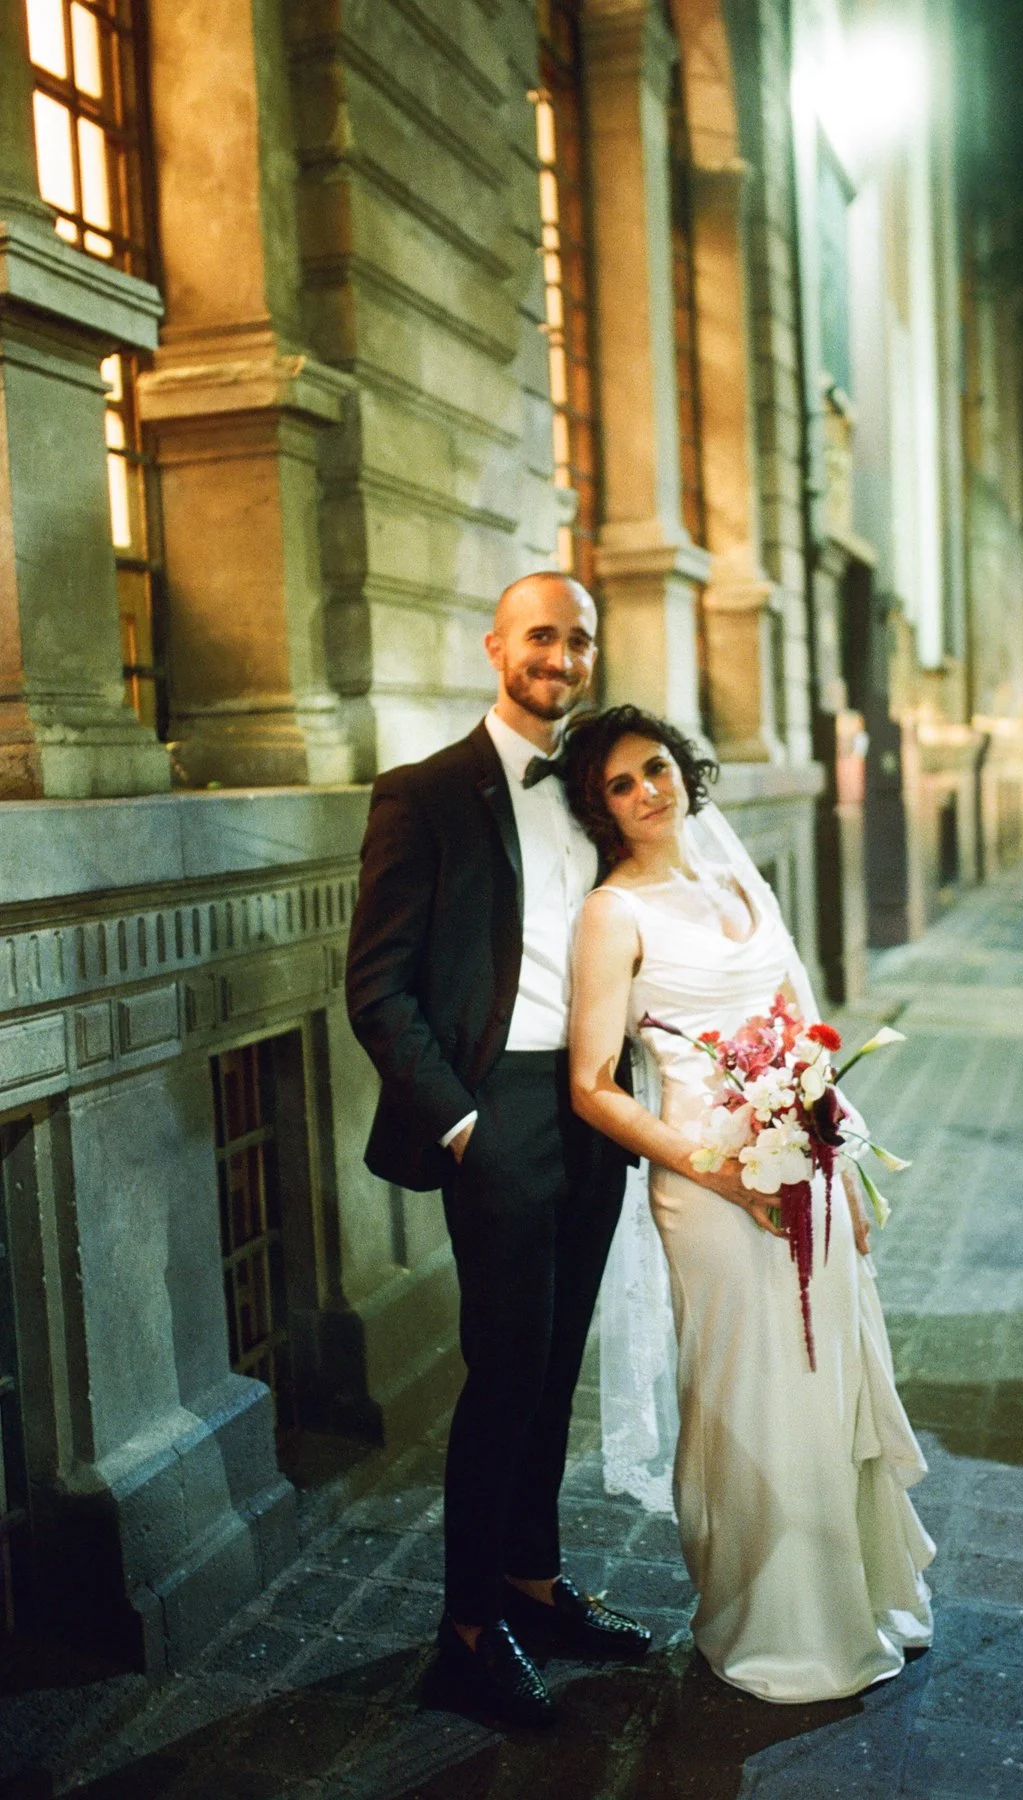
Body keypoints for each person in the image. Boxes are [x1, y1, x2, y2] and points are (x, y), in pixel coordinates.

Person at [565, 704, 934, 1704]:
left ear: (685, 769)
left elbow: (800, 1031)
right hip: (708, 1186)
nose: (650, 790)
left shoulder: (738, 879)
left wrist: (841, 1167)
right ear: (598, 810)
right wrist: (713, 1168)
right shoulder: (612, 912)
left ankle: (853, 1602)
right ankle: (766, 1622)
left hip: (801, 1160)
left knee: (823, 1385)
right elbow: (592, 1085)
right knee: (747, 1392)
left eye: (657, 767)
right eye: (621, 784)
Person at [345, 577, 650, 1729]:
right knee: (504, 1371)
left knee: (557, 1360)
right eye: (540, 636)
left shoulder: (599, 788)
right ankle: (467, 1635)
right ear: (495, 647)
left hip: (595, 1102)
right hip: (498, 1106)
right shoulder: (422, 795)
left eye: (576, 640)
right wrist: (463, 1120)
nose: (559, 656)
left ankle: (533, 1583)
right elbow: (374, 987)